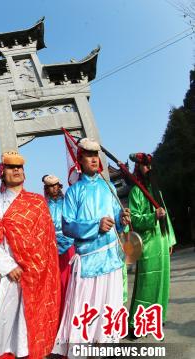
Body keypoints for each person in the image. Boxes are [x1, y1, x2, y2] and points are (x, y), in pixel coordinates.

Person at [0, 152, 61, 359]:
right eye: (11, 168)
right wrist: (8, 266)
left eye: (20, 167)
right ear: (2, 173)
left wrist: (37, 267)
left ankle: (26, 352)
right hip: (8, 272)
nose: (17, 170)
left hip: (36, 273)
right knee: (2, 317)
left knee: (29, 321)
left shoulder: (38, 202)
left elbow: (47, 240)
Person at [52, 138, 131, 355]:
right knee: (86, 310)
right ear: (80, 159)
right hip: (88, 260)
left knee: (109, 308)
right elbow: (67, 225)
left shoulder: (108, 186)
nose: (94, 159)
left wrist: (121, 219)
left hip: (112, 258)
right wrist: (95, 226)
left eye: (96, 155)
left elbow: (115, 215)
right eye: (88, 155)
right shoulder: (74, 191)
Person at [128, 152, 176, 334]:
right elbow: (134, 219)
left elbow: (167, 219)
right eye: (145, 165)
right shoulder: (135, 192)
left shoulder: (157, 191)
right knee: (147, 282)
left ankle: (157, 318)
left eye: (150, 165)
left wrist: (170, 239)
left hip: (162, 241)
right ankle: (137, 323)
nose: (149, 168)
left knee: (162, 281)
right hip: (148, 242)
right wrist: (152, 216)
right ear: (138, 168)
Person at [42, 174, 75, 318]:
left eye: (55, 185)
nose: (53, 188)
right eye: (50, 186)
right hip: (50, 245)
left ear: (59, 186)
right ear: (46, 188)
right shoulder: (43, 204)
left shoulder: (68, 201)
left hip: (69, 243)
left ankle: (70, 313)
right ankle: (55, 314)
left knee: (69, 280)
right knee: (53, 282)